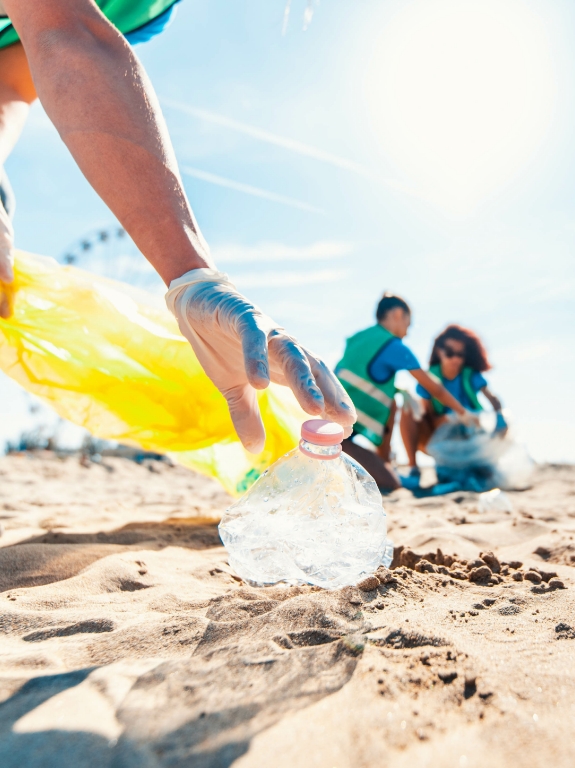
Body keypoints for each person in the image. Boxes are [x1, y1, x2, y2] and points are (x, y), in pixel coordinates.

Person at [0, 0, 355, 451]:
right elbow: (66, 32)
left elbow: (10, 81)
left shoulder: (142, 9)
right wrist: (188, 267)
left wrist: (193, 281)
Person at [335, 294, 474, 492]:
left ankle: (384, 465)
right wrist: (463, 413)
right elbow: (434, 387)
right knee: (389, 483)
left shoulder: (359, 338)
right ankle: (388, 474)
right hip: (338, 441)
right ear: (398, 314)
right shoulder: (392, 345)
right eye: (408, 325)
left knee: (394, 400)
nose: (407, 333)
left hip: (330, 425)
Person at [400, 324, 507, 482]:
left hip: (470, 436)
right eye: (450, 353)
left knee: (487, 477)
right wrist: (451, 418)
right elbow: (429, 418)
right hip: (440, 438)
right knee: (409, 407)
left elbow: (492, 398)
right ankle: (414, 470)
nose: (455, 359)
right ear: (439, 351)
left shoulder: (470, 376)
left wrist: (499, 416)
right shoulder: (429, 378)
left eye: (460, 354)